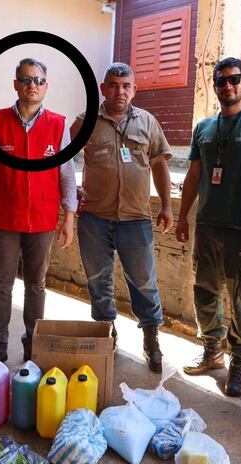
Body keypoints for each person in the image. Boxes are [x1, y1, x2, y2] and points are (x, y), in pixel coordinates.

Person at [0, 58, 77, 372]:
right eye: (26, 80)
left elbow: (67, 174)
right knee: (1, 286)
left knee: (36, 286)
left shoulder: (58, 124)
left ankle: (33, 348)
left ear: (46, 86)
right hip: (3, 219)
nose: (32, 86)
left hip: (42, 221)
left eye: (38, 81)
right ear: (15, 84)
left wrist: (69, 216)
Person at [176, 57, 241, 397]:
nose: (228, 86)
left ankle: (239, 361)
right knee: (204, 294)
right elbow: (193, 176)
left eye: (234, 79)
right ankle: (212, 351)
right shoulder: (204, 128)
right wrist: (181, 217)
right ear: (215, 86)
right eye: (221, 81)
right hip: (207, 226)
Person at [70, 62, 173, 373]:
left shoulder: (148, 122)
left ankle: (151, 339)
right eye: (113, 85)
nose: (120, 91)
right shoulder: (84, 122)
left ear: (134, 90)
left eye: (126, 85)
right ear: (103, 89)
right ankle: (106, 335)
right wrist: (70, 191)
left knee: (143, 282)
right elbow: (60, 159)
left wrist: (167, 206)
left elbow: (159, 165)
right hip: (94, 219)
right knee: (97, 281)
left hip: (136, 218)